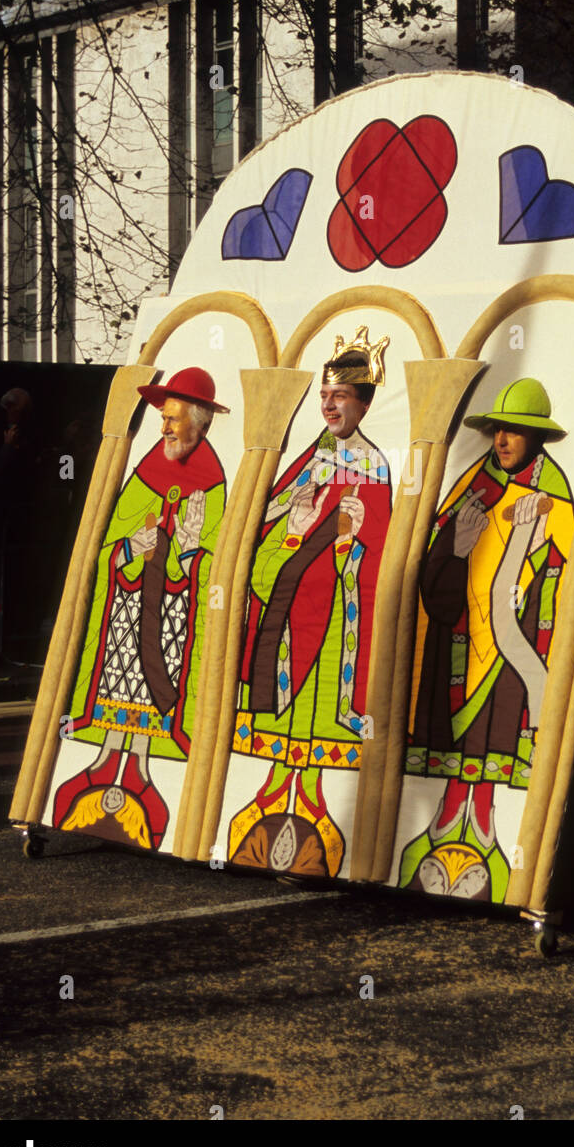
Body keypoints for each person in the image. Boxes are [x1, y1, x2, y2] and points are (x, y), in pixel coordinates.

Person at [399, 378, 574, 903]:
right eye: (498, 429)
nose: (502, 440)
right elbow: (434, 573)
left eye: (514, 431)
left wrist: (538, 554)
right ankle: (438, 834)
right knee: (455, 747)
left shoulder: (556, 494)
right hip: (455, 639)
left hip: (514, 645)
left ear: (536, 438)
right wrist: (457, 547)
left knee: (493, 741)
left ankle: (487, 840)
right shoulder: (472, 488)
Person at [227, 326, 392, 879]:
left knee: (319, 725)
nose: (328, 403)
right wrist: (291, 531)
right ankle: (269, 802)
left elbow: (379, 552)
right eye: (324, 395)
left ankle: (323, 818)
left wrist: (348, 543)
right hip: (287, 616)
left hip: (332, 627)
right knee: (282, 726)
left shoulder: (375, 467)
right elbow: (265, 528)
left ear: (365, 402)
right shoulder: (308, 460)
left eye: (340, 395)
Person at [52, 367, 228, 850]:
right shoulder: (147, 471)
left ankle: (147, 776)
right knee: (117, 692)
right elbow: (109, 545)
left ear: (202, 422)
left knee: (156, 699)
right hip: (124, 618)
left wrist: (191, 553)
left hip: (174, 620)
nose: (165, 428)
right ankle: (104, 767)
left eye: (173, 419)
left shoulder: (214, 483)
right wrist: (129, 548)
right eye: (164, 419)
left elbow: (219, 564)